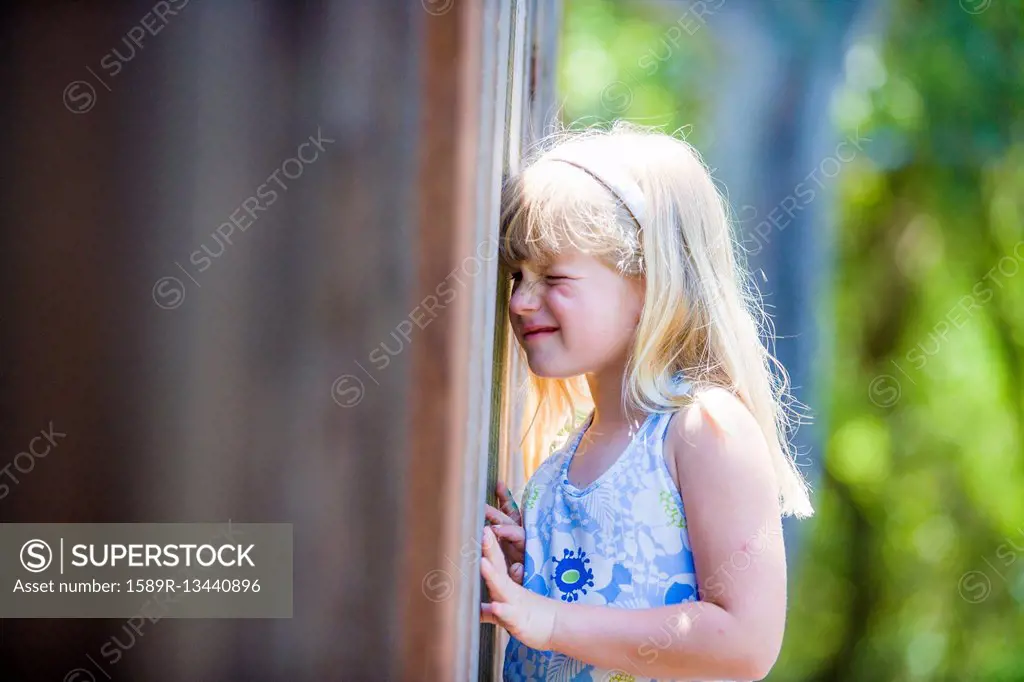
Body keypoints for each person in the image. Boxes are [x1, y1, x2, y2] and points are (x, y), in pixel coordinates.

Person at [479, 121, 814, 681]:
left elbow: (746, 641)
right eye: (517, 275)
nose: (520, 301)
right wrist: (532, 569)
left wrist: (550, 618)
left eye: (553, 276)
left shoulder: (704, 429)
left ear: (649, 283)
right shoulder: (570, 449)